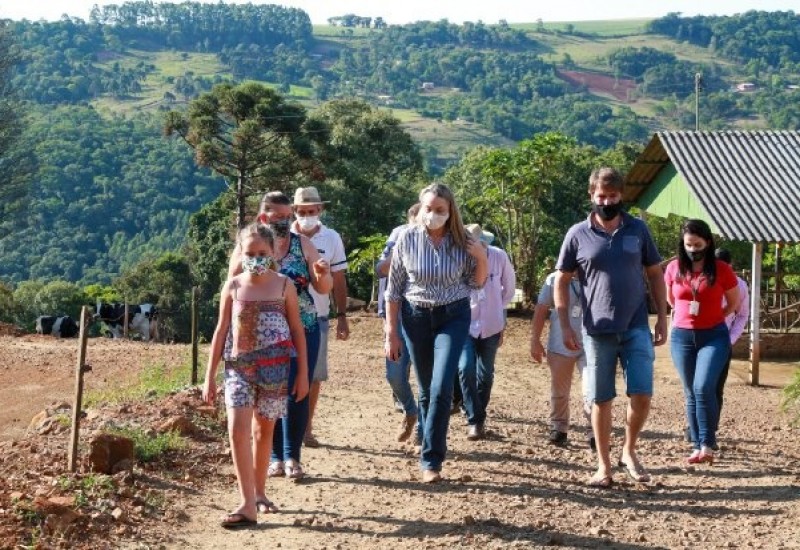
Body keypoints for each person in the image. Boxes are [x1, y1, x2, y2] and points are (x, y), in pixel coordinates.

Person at [555, 167, 668, 487]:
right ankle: (604, 466)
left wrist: (662, 316)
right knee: (601, 399)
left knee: (642, 394)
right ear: (591, 196)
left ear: (622, 196)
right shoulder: (577, 234)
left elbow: (655, 274)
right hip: (597, 330)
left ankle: (629, 451)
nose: (606, 201)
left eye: (613, 196)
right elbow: (562, 281)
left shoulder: (638, 230)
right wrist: (565, 325)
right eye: (601, 196)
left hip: (635, 326)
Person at [203, 223, 309, 529]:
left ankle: (259, 493)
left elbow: (297, 331)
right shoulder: (233, 286)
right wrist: (209, 376)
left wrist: (302, 373)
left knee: (264, 432)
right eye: (250, 253)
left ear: (273, 251)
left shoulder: (284, 285)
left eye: (262, 253)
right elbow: (221, 331)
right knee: (238, 431)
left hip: (276, 369)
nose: (256, 258)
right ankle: (247, 502)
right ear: (241, 254)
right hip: (238, 368)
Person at [384, 182, 487, 483]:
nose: (433, 215)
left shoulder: (463, 240)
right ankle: (427, 439)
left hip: (453, 315)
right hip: (415, 316)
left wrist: (481, 256)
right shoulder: (407, 238)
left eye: (440, 210)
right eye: (428, 209)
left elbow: (477, 283)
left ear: (450, 211)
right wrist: (392, 332)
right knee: (427, 388)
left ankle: (431, 460)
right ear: (420, 208)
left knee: (442, 387)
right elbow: (394, 290)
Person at [227, 191, 332, 482]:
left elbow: (323, 287)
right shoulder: (248, 247)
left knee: (298, 391)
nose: (285, 222)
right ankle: (273, 457)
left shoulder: (304, 246)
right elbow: (231, 287)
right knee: (267, 395)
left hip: (303, 328)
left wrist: (323, 275)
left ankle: (292, 456)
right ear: (263, 217)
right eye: (278, 216)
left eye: (288, 216)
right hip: (260, 336)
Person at [665, 220, 739, 465]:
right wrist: (686, 317)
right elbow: (671, 300)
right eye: (688, 244)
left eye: (698, 244)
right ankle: (696, 445)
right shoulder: (674, 268)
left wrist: (716, 316)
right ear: (682, 244)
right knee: (689, 391)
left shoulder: (721, 270)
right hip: (682, 337)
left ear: (708, 242)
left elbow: (734, 302)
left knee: (704, 386)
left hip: (714, 336)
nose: (693, 249)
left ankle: (707, 443)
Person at [290, 187, 350, 449]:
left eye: (311, 211)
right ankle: (285, 430)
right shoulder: (283, 237)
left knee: (314, 375)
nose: (306, 216)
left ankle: (306, 427)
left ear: (320, 211)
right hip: (285, 316)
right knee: (287, 373)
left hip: (320, 315)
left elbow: (338, 277)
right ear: (294, 211)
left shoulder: (332, 238)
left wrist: (343, 315)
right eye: (301, 212)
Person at [458, 223, 516, 440]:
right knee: (465, 368)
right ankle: (475, 420)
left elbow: (509, 288)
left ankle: (477, 414)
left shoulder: (499, 257)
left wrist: (499, 313)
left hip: (491, 324)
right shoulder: (457, 258)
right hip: (463, 325)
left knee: (486, 374)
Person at [530, 270, 593, 449]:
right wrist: (535, 340)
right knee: (560, 391)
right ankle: (559, 427)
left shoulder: (596, 275)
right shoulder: (553, 279)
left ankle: (594, 431)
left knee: (592, 390)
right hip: (560, 344)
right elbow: (541, 310)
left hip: (591, 344)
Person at [376, 203, 421, 443]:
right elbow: (381, 270)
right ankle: (410, 410)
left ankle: (424, 431)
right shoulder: (398, 234)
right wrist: (402, 246)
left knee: (428, 377)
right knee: (394, 375)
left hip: (428, 317)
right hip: (399, 319)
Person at [714, 247, 749, 441]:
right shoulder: (703, 280)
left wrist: (729, 340)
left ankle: (710, 430)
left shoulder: (740, 286)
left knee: (716, 387)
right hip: (698, 339)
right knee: (697, 387)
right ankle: (695, 428)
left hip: (722, 342)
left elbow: (743, 315)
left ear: (730, 266)